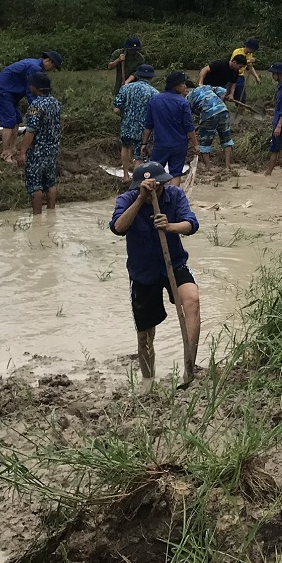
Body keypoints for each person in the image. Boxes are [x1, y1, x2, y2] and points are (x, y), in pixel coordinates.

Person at [110, 161, 201, 393]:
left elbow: (191, 224)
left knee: (192, 300)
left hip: (174, 263)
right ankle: (148, 381)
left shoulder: (175, 195)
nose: (155, 191)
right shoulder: (127, 200)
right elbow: (118, 228)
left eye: (158, 186)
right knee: (145, 335)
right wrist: (141, 200)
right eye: (149, 188)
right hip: (143, 272)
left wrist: (170, 227)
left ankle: (189, 367)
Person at [0, 51, 63, 162]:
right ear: (48, 61)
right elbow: (31, 91)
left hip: (11, 92)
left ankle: (12, 148)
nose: (52, 69)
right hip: (2, 91)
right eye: (53, 66)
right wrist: (38, 107)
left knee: (17, 118)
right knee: (9, 121)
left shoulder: (35, 65)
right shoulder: (34, 68)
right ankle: (5, 153)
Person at [17, 72, 62, 214]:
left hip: (38, 151)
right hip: (53, 149)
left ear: (36, 87)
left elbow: (31, 130)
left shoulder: (35, 106)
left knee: (35, 186)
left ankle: (37, 218)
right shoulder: (56, 103)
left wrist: (22, 152)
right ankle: (51, 214)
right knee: (50, 183)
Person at [141, 72, 198, 184]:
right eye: (183, 83)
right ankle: (173, 195)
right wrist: (195, 144)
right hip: (179, 144)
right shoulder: (183, 102)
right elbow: (189, 126)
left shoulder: (154, 100)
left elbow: (149, 124)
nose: (185, 86)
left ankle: (154, 194)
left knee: (155, 173)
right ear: (175, 85)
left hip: (160, 144)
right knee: (175, 173)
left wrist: (144, 143)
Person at [113, 64, 157, 181]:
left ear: (137, 75)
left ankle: (125, 176)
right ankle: (136, 181)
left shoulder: (125, 88)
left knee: (125, 147)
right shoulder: (154, 93)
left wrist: (125, 116)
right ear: (151, 77)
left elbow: (116, 109)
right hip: (144, 129)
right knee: (139, 155)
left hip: (126, 125)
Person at [186, 81, 234, 169]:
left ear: (186, 89)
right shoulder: (205, 87)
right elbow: (223, 91)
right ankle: (228, 165)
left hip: (208, 115)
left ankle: (208, 166)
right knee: (226, 138)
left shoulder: (188, 98)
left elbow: (188, 116)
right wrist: (219, 101)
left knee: (205, 140)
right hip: (223, 111)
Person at [265, 63, 282, 178]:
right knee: (274, 149)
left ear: (279, 74)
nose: (272, 76)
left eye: (273, 73)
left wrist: (279, 126)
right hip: (278, 123)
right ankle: (268, 173)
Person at [229, 38, 262, 103]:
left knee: (241, 97)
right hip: (232, 74)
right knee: (226, 92)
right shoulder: (237, 51)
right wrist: (250, 61)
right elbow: (237, 62)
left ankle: (240, 106)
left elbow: (250, 67)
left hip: (240, 76)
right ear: (250, 47)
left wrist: (256, 77)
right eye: (253, 49)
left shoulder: (250, 55)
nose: (253, 51)